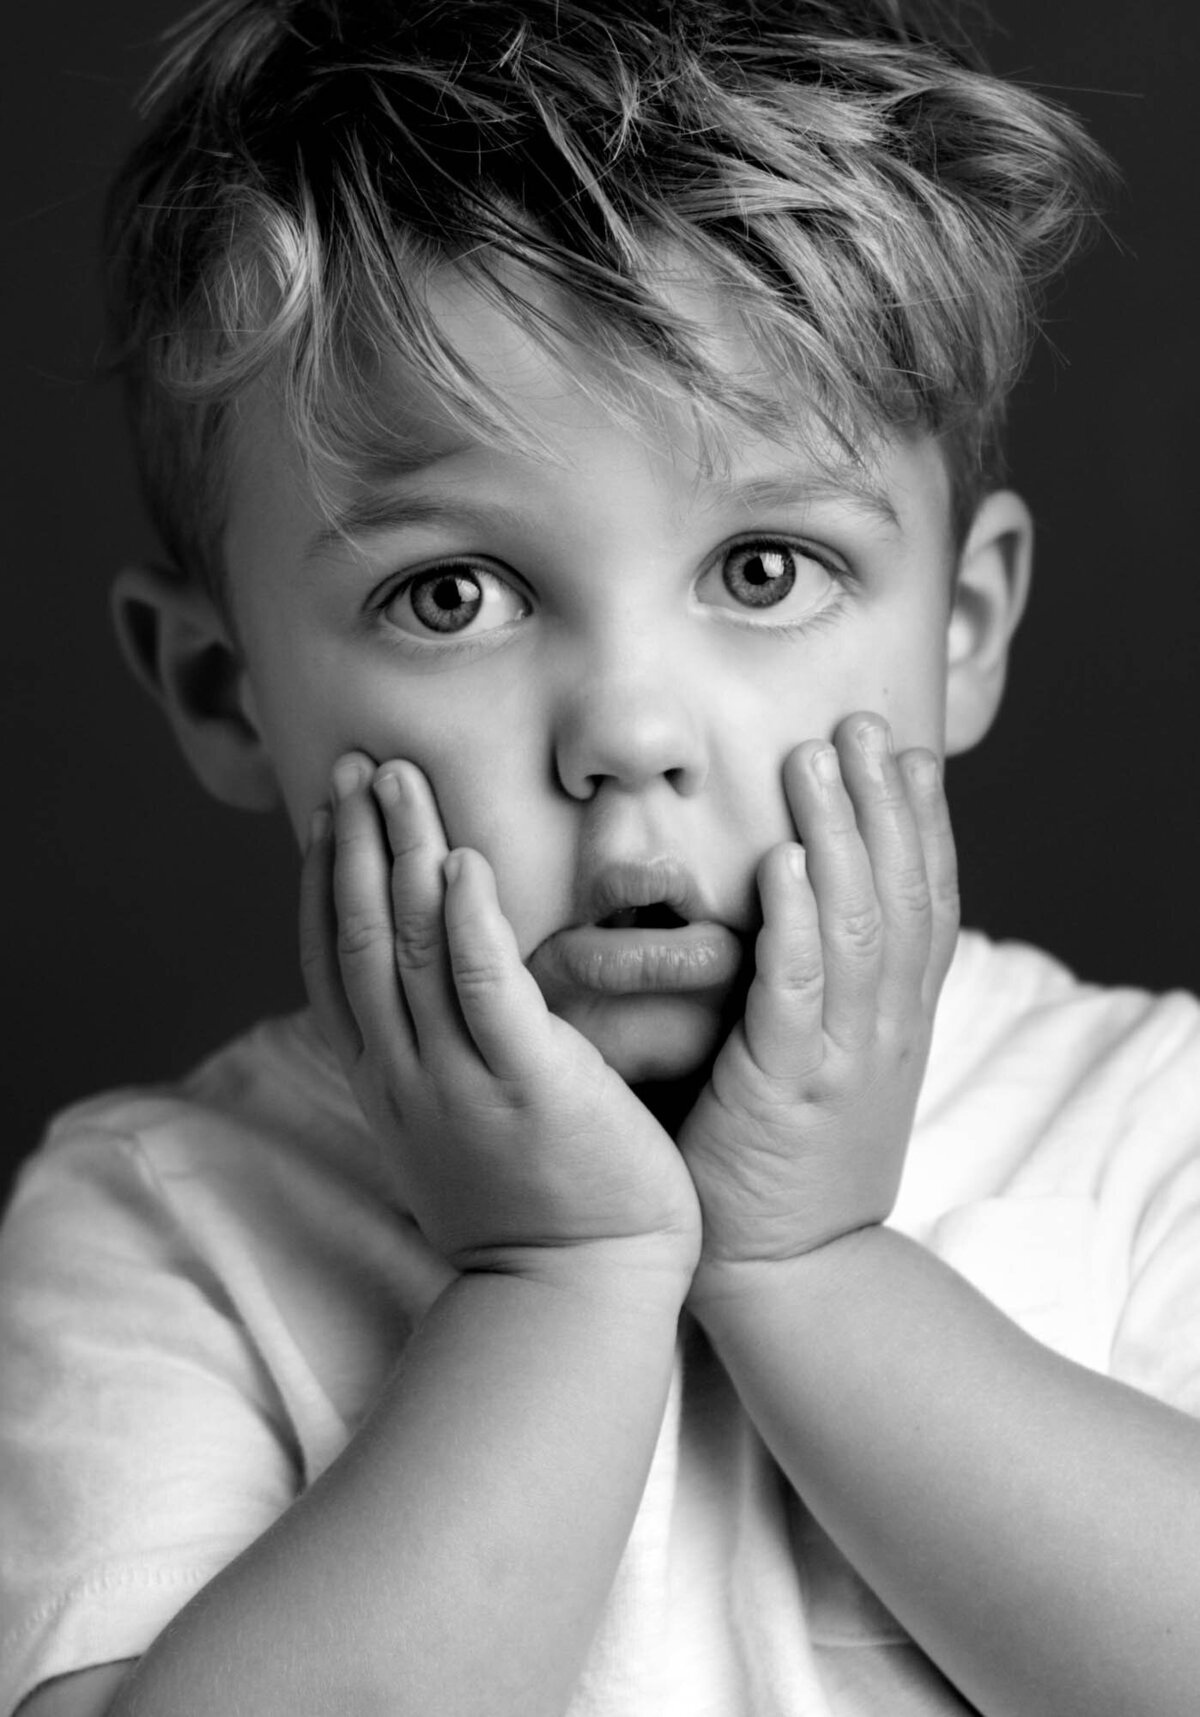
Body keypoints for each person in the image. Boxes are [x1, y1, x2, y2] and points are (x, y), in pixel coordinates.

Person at [3, 1, 1199, 1712]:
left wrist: (813, 1272)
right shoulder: (164, 1220)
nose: (629, 731)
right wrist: (555, 1285)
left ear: (965, 626)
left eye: (769, 567)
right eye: (452, 593)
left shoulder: (1151, 1124)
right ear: (224, 687)